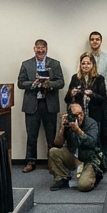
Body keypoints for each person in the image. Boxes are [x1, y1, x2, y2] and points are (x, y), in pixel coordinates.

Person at [18, 39, 63, 173]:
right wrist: (34, 83)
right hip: (32, 105)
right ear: (34, 49)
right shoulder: (26, 64)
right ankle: (30, 162)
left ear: (47, 49)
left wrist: (49, 84)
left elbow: (61, 82)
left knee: (51, 137)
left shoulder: (55, 64)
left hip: (49, 104)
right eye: (38, 48)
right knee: (31, 136)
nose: (41, 50)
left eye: (43, 48)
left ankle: (53, 163)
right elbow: (20, 83)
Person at [47, 102, 101, 192]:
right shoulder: (68, 122)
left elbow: (92, 143)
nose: (79, 117)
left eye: (81, 114)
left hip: (89, 159)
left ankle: (94, 175)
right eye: (76, 115)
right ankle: (63, 178)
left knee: (83, 186)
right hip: (73, 155)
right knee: (53, 152)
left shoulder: (91, 123)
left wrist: (78, 131)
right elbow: (57, 143)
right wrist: (62, 128)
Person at [65, 53, 107, 160]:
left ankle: (100, 161)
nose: (85, 66)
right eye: (83, 63)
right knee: (80, 138)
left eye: (88, 63)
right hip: (80, 115)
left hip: (94, 114)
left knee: (96, 139)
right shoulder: (75, 78)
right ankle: (79, 161)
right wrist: (72, 93)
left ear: (93, 64)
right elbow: (67, 100)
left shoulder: (99, 79)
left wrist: (92, 94)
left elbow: (103, 98)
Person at [86, 31, 107, 155]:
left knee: (103, 131)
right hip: (88, 102)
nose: (95, 41)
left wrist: (105, 97)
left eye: (97, 39)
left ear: (101, 41)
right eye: (92, 39)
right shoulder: (85, 59)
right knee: (90, 131)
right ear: (89, 42)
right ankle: (91, 159)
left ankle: (104, 159)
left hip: (102, 102)